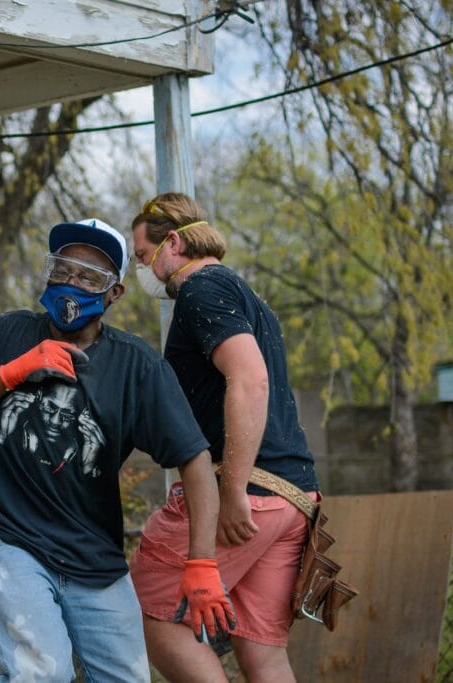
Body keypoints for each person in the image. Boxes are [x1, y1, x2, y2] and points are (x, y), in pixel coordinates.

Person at [0, 218, 234, 682]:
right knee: (41, 673)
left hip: (93, 553)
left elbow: (193, 459)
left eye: (89, 277)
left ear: (114, 293)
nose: (72, 284)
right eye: (63, 269)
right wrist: (10, 374)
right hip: (8, 535)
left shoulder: (136, 367)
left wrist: (201, 563)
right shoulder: (8, 334)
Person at [130, 193, 321, 682]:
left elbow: (251, 380)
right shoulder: (247, 296)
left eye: (142, 257)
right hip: (293, 499)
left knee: (151, 611)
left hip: (245, 494)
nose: (142, 271)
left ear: (172, 242)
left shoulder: (201, 288)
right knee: (263, 651)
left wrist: (233, 488)